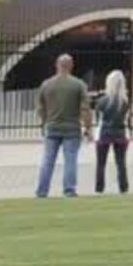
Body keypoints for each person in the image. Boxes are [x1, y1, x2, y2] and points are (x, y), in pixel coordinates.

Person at [35, 53, 91, 199]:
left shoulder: (46, 84)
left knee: (47, 160)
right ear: (71, 66)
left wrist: (44, 121)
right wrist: (88, 127)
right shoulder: (79, 84)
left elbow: (40, 108)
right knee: (70, 160)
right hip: (72, 128)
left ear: (57, 65)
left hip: (52, 127)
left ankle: (42, 191)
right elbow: (85, 109)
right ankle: (69, 190)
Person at [93, 70, 131, 195]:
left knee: (101, 162)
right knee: (121, 162)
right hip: (120, 133)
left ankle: (99, 187)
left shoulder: (102, 101)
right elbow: (126, 119)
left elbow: (99, 119)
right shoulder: (125, 102)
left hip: (104, 133)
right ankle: (123, 186)